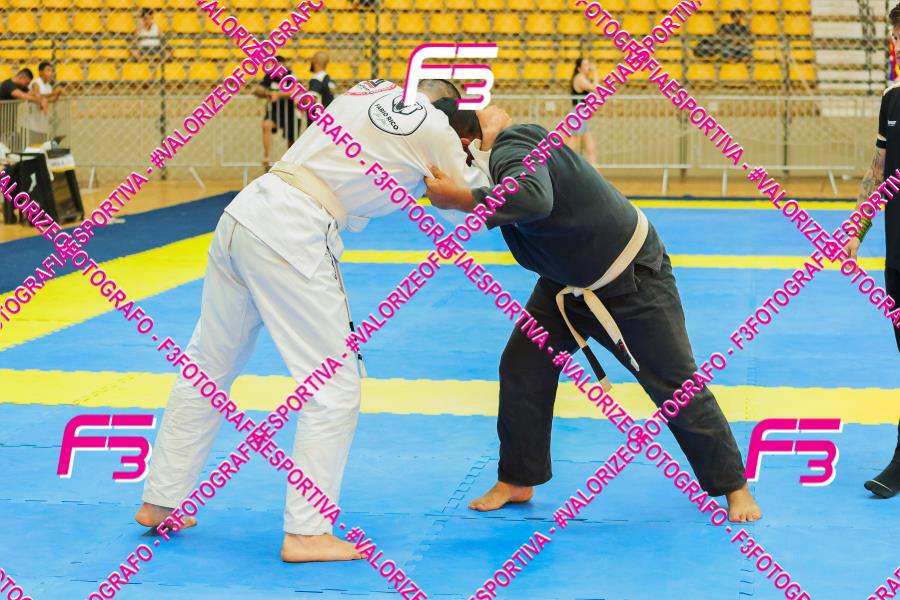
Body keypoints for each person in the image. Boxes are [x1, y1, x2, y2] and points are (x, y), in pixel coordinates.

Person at [135, 79, 501, 562]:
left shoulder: (365, 91)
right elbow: (478, 203)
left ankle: (161, 500)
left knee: (207, 366)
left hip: (247, 212)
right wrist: (488, 140)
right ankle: (307, 533)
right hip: (295, 229)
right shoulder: (433, 127)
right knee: (333, 386)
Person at [425, 105, 763, 522]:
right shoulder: (495, 151)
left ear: (461, 144)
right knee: (523, 364)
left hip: (630, 277)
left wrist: (461, 199)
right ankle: (518, 478)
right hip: (564, 283)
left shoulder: (514, 143)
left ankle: (734, 487)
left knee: (673, 382)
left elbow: (532, 197)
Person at [850, 1, 900, 500]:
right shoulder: (892, 99)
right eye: (897, 37)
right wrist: (857, 230)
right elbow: (880, 168)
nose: (898, 45)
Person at [255, 56, 298, 170]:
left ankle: (289, 162)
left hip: (289, 111)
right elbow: (258, 90)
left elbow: (295, 90)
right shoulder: (269, 76)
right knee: (266, 125)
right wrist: (267, 93)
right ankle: (267, 157)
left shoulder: (290, 75)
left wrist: (279, 95)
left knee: (291, 138)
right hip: (274, 111)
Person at [569, 58, 598, 167]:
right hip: (578, 114)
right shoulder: (579, 78)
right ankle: (560, 168)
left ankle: (594, 173)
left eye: (588, 64)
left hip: (582, 114)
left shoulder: (583, 78)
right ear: (579, 68)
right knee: (573, 146)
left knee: (591, 147)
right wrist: (595, 72)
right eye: (585, 65)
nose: (588, 67)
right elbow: (596, 89)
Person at [27, 62, 61, 143]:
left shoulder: (49, 86)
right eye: (48, 70)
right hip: (32, 125)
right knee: (33, 148)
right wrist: (54, 93)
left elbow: (50, 100)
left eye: (52, 71)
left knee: (42, 148)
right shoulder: (36, 83)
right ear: (40, 72)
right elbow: (38, 97)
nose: (51, 73)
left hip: (42, 125)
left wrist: (58, 94)